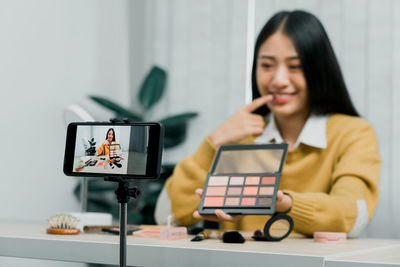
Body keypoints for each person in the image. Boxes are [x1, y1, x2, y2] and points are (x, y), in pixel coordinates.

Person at [162, 10, 381, 237]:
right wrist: (214, 142)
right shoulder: (241, 136)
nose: (279, 80)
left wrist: (284, 203)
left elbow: (352, 216)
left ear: (319, 70)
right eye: (267, 65)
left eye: (295, 66)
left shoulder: (353, 133)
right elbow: (166, 213)